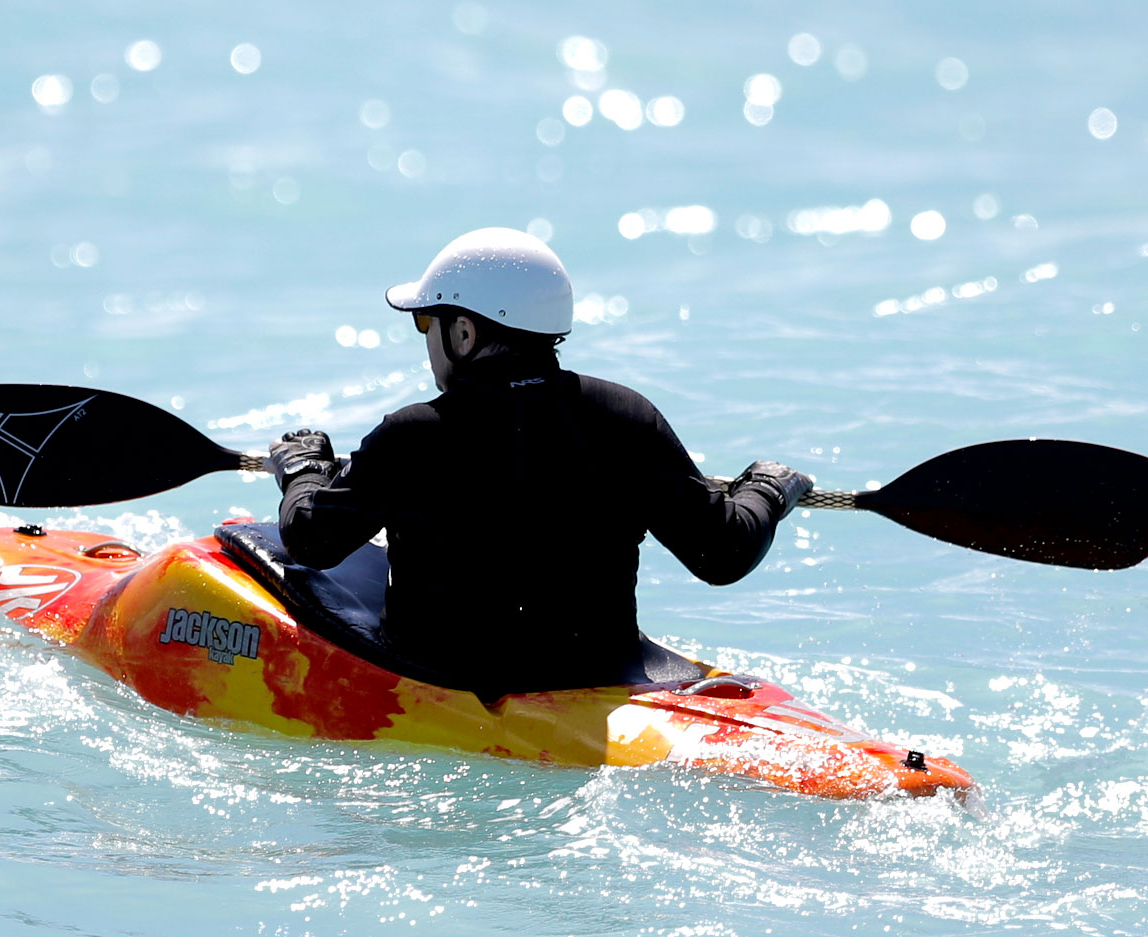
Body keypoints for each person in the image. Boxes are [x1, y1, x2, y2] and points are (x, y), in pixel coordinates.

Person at [266, 227, 811, 696]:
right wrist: (766, 489)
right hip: (599, 678)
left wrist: (305, 470)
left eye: (427, 325)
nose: (427, 340)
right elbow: (724, 552)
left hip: (446, 682)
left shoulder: (414, 435)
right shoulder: (624, 417)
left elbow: (310, 541)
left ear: (464, 332)